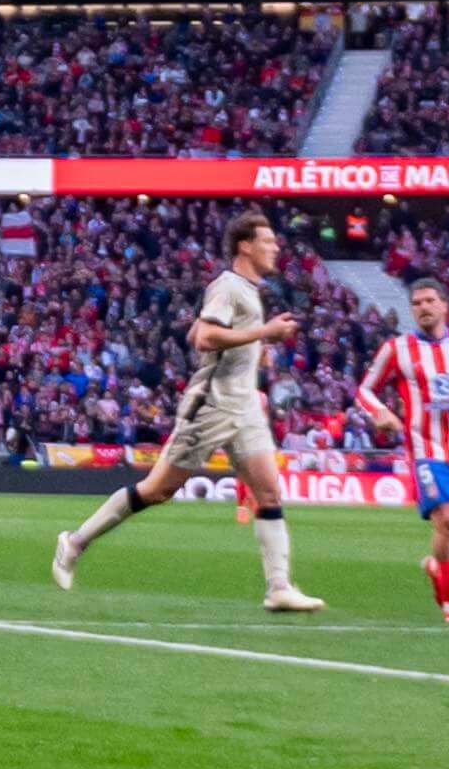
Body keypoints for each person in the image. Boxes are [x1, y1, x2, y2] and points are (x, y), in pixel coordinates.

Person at [50, 209, 325, 612]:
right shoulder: (229, 286)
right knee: (158, 489)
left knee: (268, 491)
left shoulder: (247, 289)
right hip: (211, 404)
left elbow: (200, 328)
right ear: (245, 246)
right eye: (268, 241)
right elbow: (207, 338)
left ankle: (279, 586)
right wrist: (264, 334)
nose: (275, 248)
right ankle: (74, 542)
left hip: (244, 403)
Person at [353, 277, 449, 628]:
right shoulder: (398, 349)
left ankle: (440, 564)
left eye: (429, 301)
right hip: (426, 451)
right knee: (448, 521)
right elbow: (365, 390)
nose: (423, 307)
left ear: (445, 306)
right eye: (417, 303)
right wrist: (381, 413)